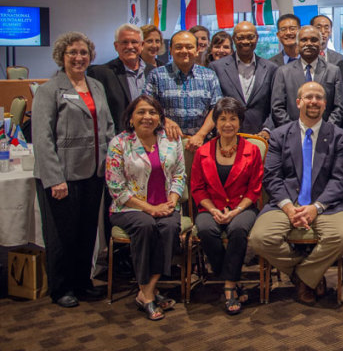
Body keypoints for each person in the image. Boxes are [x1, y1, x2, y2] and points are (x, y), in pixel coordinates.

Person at [248, 82, 343, 306]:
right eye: (308, 97)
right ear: (299, 102)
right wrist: (288, 207)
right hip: (285, 203)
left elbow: (341, 179)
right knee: (260, 239)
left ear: (325, 104)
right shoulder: (279, 135)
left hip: (327, 205)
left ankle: (303, 277)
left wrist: (316, 208)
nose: (314, 101)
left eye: (318, 97)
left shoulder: (339, 136)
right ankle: (309, 276)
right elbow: (272, 177)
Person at [32, 31, 114, 308]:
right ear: (61, 57)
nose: (79, 58)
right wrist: (54, 178)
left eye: (83, 53)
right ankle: (61, 287)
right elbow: (42, 139)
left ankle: (82, 282)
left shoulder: (95, 86)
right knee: (61, 234)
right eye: (72, 53)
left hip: (94, 173)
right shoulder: (49, 90)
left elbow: (108, 126)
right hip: (63, 176)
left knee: (86, 232)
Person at [106, 95, 185, 320]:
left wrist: (172, 200)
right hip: (129, 208)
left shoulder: (170, 140)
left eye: (152, 112)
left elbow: (180, 174)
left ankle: (146, 293)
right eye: (141, 112)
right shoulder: (119, 143)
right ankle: (149, 294)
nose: (147, 117)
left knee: (170, 227)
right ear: (131, 118)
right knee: (146, 225)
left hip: (166, 204)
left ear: (160, 117)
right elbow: (116, 188)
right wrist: (150, 208)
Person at [190, 97, 263, 315]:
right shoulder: (203, 152)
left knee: (238, 229)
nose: (228, 124)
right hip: (210, 207)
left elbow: (255, 189)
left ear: (240, 122)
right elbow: (197, 188)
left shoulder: (252, 150)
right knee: (206, 229)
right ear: (215, 122)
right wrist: (212, 209)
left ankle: (229, 285)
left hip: (243, 207)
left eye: (233, 118)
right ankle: (230, 278)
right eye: (222, 119)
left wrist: (237, 210)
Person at [143, 31, 222, 151]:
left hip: (202, 144)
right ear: (171, 50)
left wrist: (201, 135)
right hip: (165, 144)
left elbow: (216, 108)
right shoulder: (156, 75)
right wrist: (164, 120)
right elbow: (146, 107)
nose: (184, 51)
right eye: (179, 47)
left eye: (189, 47)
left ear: (197, 50)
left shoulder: (209, 76)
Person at [208, 22, 277, 140]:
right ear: (234, 39)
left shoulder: (271, 68)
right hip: (226, 136)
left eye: (250, 37)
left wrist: (267, 129)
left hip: (260, 137)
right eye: (240, 37)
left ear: (257, 38)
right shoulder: (216, 68)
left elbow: (275, 105)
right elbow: (213, 105)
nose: (245, 41)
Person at [271, 25, 343, 127]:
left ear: (320, 43)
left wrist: (324, 130)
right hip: (291, 135)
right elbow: (277, 108)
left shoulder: (333, 71)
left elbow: (339, 108)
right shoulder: (283, 72)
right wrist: (295, 131)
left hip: (326, 135)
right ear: (297, 44)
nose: (309, 44)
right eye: (304, 40)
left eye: (314, 40)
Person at [88, 23, 154, 134]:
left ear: (142, 45)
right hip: (118, 140)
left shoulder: (153, 72)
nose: (129, 46)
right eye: (124, 42)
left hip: (149, 136)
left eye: (134, 42)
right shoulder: (101, 73)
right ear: (116, 46)